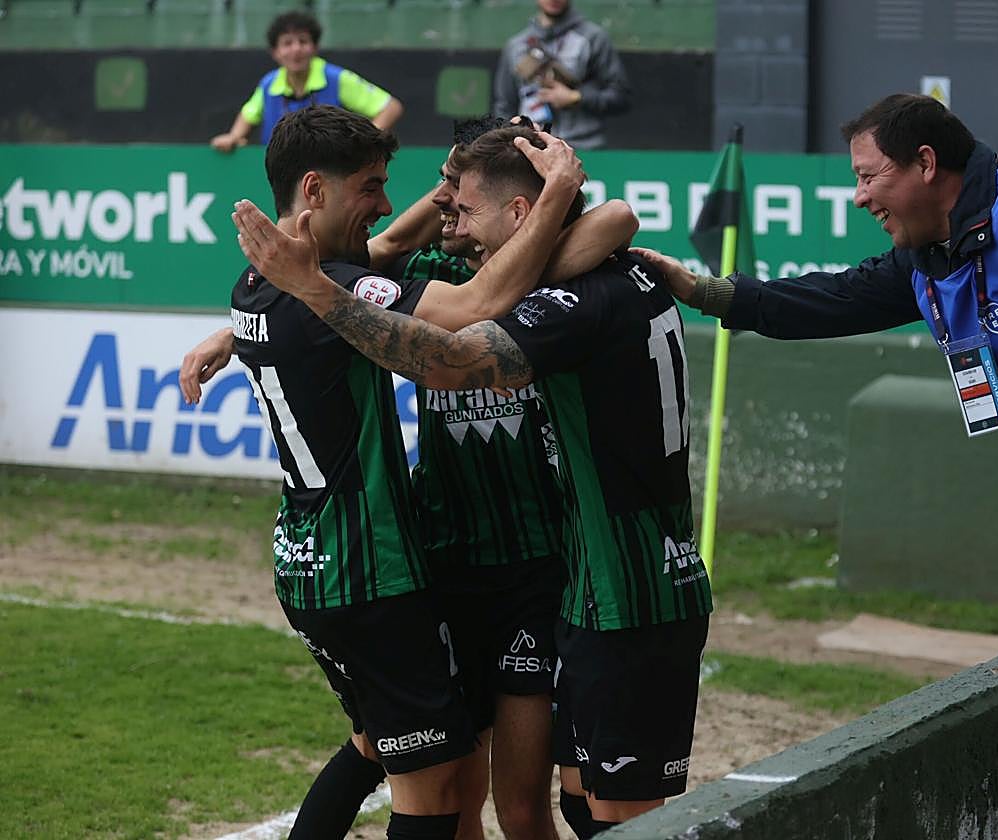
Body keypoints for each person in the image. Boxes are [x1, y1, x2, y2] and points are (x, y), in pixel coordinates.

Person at [634, 93, 998, 840]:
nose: (859, 194)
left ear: (927, 164)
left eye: (870, 176)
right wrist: (704, 291)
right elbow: (831, 300)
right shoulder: (928, 259)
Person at [230, 123, 712, 839]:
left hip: (534, 570)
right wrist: (247, 318)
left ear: (519, 215)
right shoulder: (431, 271)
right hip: (443, 561)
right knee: (450, 793)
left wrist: (560, 199)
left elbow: (612, 221)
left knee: (519, 805)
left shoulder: (533, 276)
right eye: (440, 196)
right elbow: (373, 261)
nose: (440, 211)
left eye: (458, 198)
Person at [210, 105, 585, 840]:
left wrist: (226, 334)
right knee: (432, 792)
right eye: (370, 186)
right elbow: (473, 306)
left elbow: (375, 250)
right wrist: (559, 194)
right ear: (315, 191)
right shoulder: (334, 290)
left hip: (314, 560)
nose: (385, 203)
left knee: (379, 749)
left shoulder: (257, 286)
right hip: (371, 569)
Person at [210, 10, 403, 152]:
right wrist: (234, 137)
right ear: (275, 53)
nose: (296, 49)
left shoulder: (336, 78)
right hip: (282, 175)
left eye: (303, 41)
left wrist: (366, 145)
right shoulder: (269, 84)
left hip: (331, 172)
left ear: (315, 47)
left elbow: (390, 107)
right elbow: (248, 115)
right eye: (287, 43)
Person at [493, 0, 630, 150]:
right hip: (530, 148)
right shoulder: (516, 46)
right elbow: (504, 106)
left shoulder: (593, 38)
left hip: (584, 149)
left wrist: (576, 97)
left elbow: (620, 96)